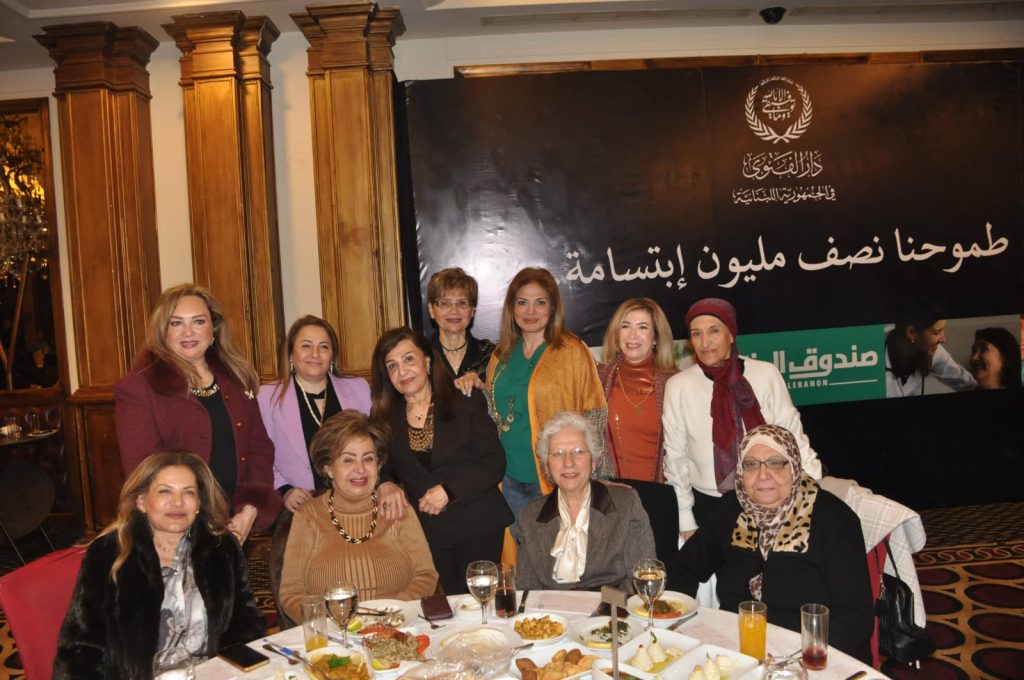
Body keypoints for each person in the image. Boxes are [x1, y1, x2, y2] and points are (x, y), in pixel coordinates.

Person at [669, 424, 874, 665]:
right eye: (751, 464)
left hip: (808, 656)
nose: (763, 475)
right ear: (740, 471)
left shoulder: (834, 519)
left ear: (794, 466)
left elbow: (855, 619)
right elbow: (684, 569)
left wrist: (798, 659)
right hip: (737, 651)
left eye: (776, 463)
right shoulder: (730, 510)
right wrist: (675, 623)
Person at [54, 451, 265, 678]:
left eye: (188, 492)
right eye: (165, 491)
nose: (177, 502)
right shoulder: (109, 552)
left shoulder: (221, 548)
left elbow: (245, 624)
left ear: (198, 503)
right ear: (141, 501)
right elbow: (81, 647)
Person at [115, 284, 280, 540]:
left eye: (198, 321)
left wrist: (249, 511)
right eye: (176, 323)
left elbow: (259, 448)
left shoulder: (235, 377)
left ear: (214, 327)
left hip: (235, 523)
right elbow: (142, 471)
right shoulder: (138, 386)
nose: (188, 332)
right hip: (173, 529)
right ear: (162, 331)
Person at [662, 298, 822, 539]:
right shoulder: (678, 386)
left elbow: (795, 441)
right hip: (709, 508)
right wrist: (685, 519)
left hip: (773, 500)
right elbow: (675, 459)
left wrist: (814, 497)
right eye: (696, 334)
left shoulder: (766, 374)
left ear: (731, 334)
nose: (705, 342)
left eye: (714, 331)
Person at [463, 267, 606, 535]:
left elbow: (594, 414)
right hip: (507, 478)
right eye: (522, 302)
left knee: (560, 551)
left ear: (552, 307)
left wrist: (598, 481)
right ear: (512, 308)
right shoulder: (501, 355)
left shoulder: (572, 350)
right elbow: (496, 415)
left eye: (540, 302)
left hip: (556, 477)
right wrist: (479, 389)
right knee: (524, 553)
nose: (531, 311)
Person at [371, 327, 512, 595]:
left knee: (477, 606)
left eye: (408, 359)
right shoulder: (384, 418)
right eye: (392, 365)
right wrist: (385, 484)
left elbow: (494, 462)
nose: (402, 371)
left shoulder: (464, 400)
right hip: (428, 532)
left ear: (426, 361)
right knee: (446, 609)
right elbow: (380, 466)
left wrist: (449, 490)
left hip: (477, 523)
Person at [278, 410, 438, 622]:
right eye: (348, 460)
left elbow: (426, 575)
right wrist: (331, 623)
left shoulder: (398, 507)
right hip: (335, 634)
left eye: (368, 459)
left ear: (378, 466)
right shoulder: (307, 516)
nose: (360, 469)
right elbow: (291, 593)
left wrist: (388, 616)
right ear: (328, 469)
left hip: (397, 628)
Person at [516, 412, 656, 593]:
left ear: (594, 461)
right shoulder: (529, 516)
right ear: (547, 466)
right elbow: (526, 588)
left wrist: (602, 606)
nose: (568, 463)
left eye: (578, 452)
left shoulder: (625, 504)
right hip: (549, 610)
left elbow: (642, 579)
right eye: (557, 454)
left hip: (610, 607)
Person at [258, 316, 372, 513]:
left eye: (324, 347)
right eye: (306, 346)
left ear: (332, 355)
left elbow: (375, 447)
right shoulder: (267, 397)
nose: (315, 354)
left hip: (355, 504)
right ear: (291, 354)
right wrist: (284, 490)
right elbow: (259, 455)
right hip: (302, 508)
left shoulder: (358, 388)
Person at [597, 298, 678, 482]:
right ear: (616, 334)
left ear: (656, 337)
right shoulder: (599, 379)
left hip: (664, 489)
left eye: (642, 327)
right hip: (614, 490)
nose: (632, 335)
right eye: (625, 326)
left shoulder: (675, 383)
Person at [426, 268, 496, 379]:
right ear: (431, 310)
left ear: (472, 310)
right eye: (444, 303)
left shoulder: (490, 355)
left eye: (462, 303)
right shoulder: (420, 356)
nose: (454, 310)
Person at [885, 316, 976, 397]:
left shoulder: (930, 349)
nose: (943, 339)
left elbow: (963, 382)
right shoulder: (877, 350)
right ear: (911, 332)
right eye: (936, 332)